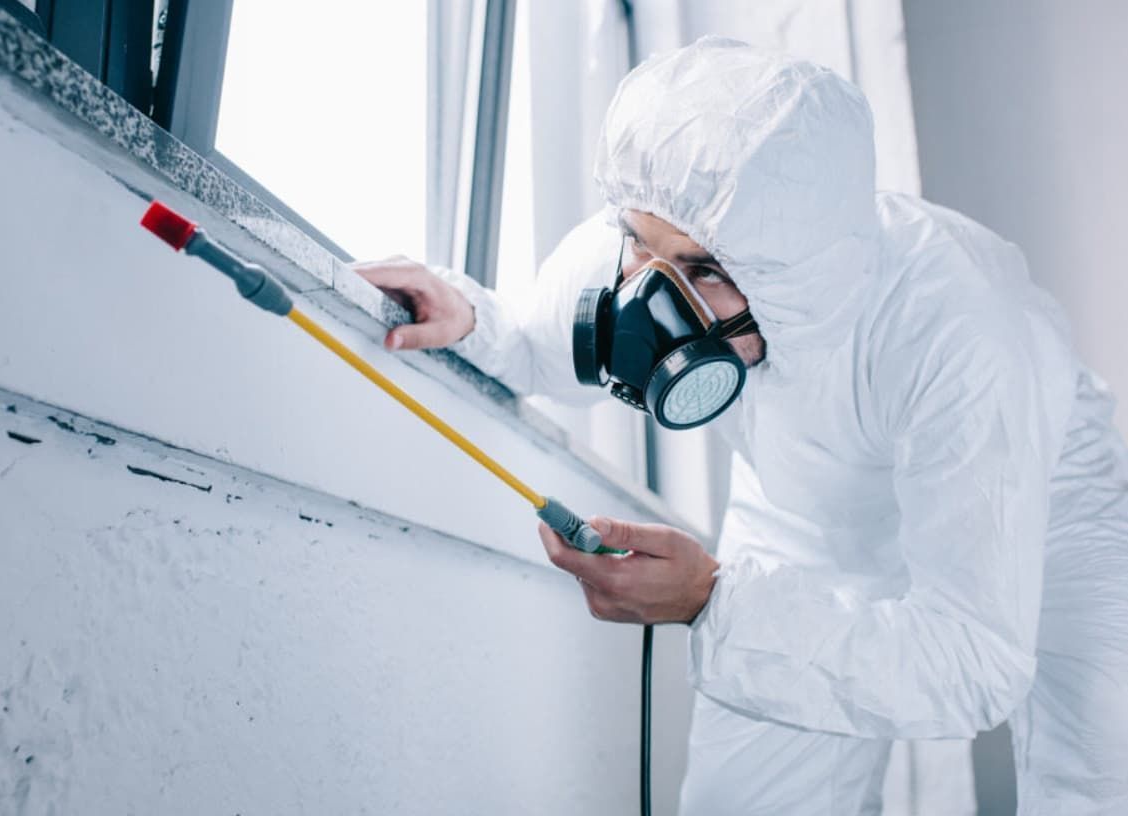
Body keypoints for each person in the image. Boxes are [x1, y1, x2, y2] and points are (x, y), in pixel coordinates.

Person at [355, 37, 1128, 815]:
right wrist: (468, 320)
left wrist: (711, 601)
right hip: (808, 512)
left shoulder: (963, 332)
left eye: (704, 272)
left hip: (1037, 502)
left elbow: (972, 664)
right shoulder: (655, 220)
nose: (647, 298)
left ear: (788, 275)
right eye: (638, 244)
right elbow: (533, 342)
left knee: (1100, 768)